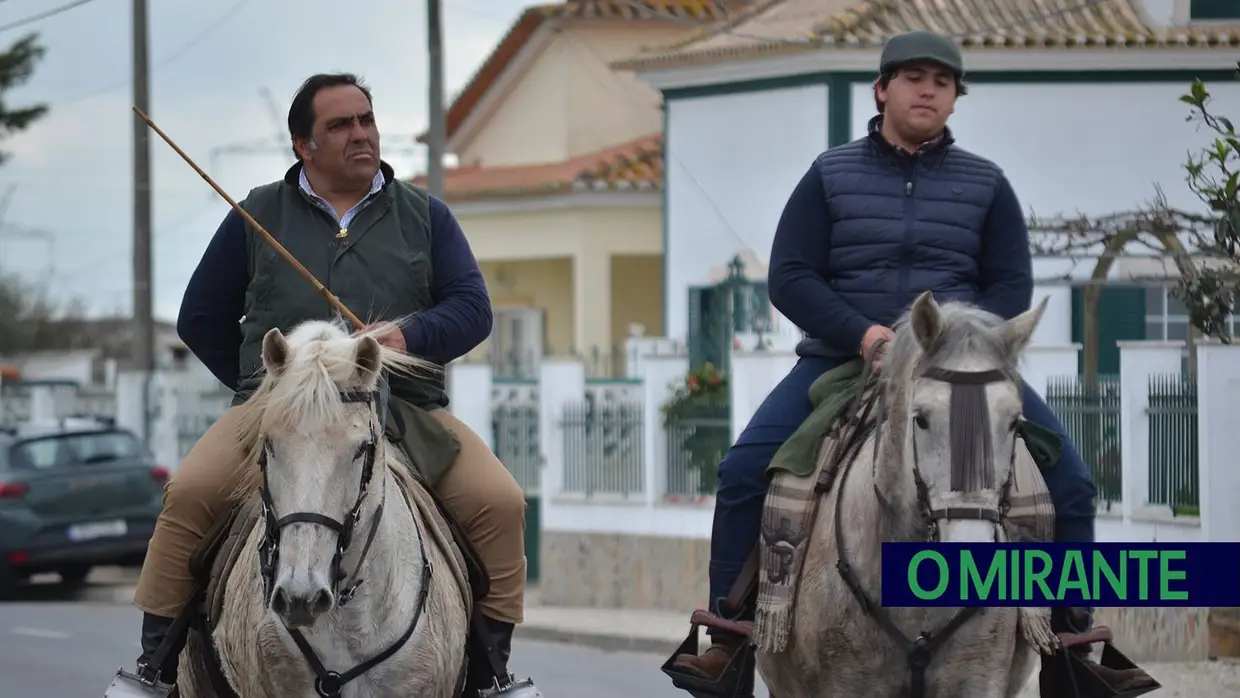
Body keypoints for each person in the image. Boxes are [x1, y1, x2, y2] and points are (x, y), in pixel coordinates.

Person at [671, 30, 1104, 681]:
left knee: (1070, 483)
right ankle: (728, 641)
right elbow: (790, 275)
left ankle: (1074, 650)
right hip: (844, 360)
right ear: (882, 89)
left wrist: (960, 342)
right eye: (913, 76)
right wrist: (865, 334)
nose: (928, 88)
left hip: (959, 371)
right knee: (741, 474)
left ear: (956, 97)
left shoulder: (987, 185)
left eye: (943, 80)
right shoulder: (830, 174)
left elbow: (1011, 285)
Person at [132, 73, 528, 695]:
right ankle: (153, 671)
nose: (361, 134)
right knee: (187, 497)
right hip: (280, 417)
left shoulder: (426, 216)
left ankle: (491, 673)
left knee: (501, 503)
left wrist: (408, 337)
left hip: (405, 414)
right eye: (340, 125)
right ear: (303, 145)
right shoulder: (256, 214)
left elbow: (472, 309)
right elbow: (200, 319)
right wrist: (267, 394)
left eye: (366, 120)